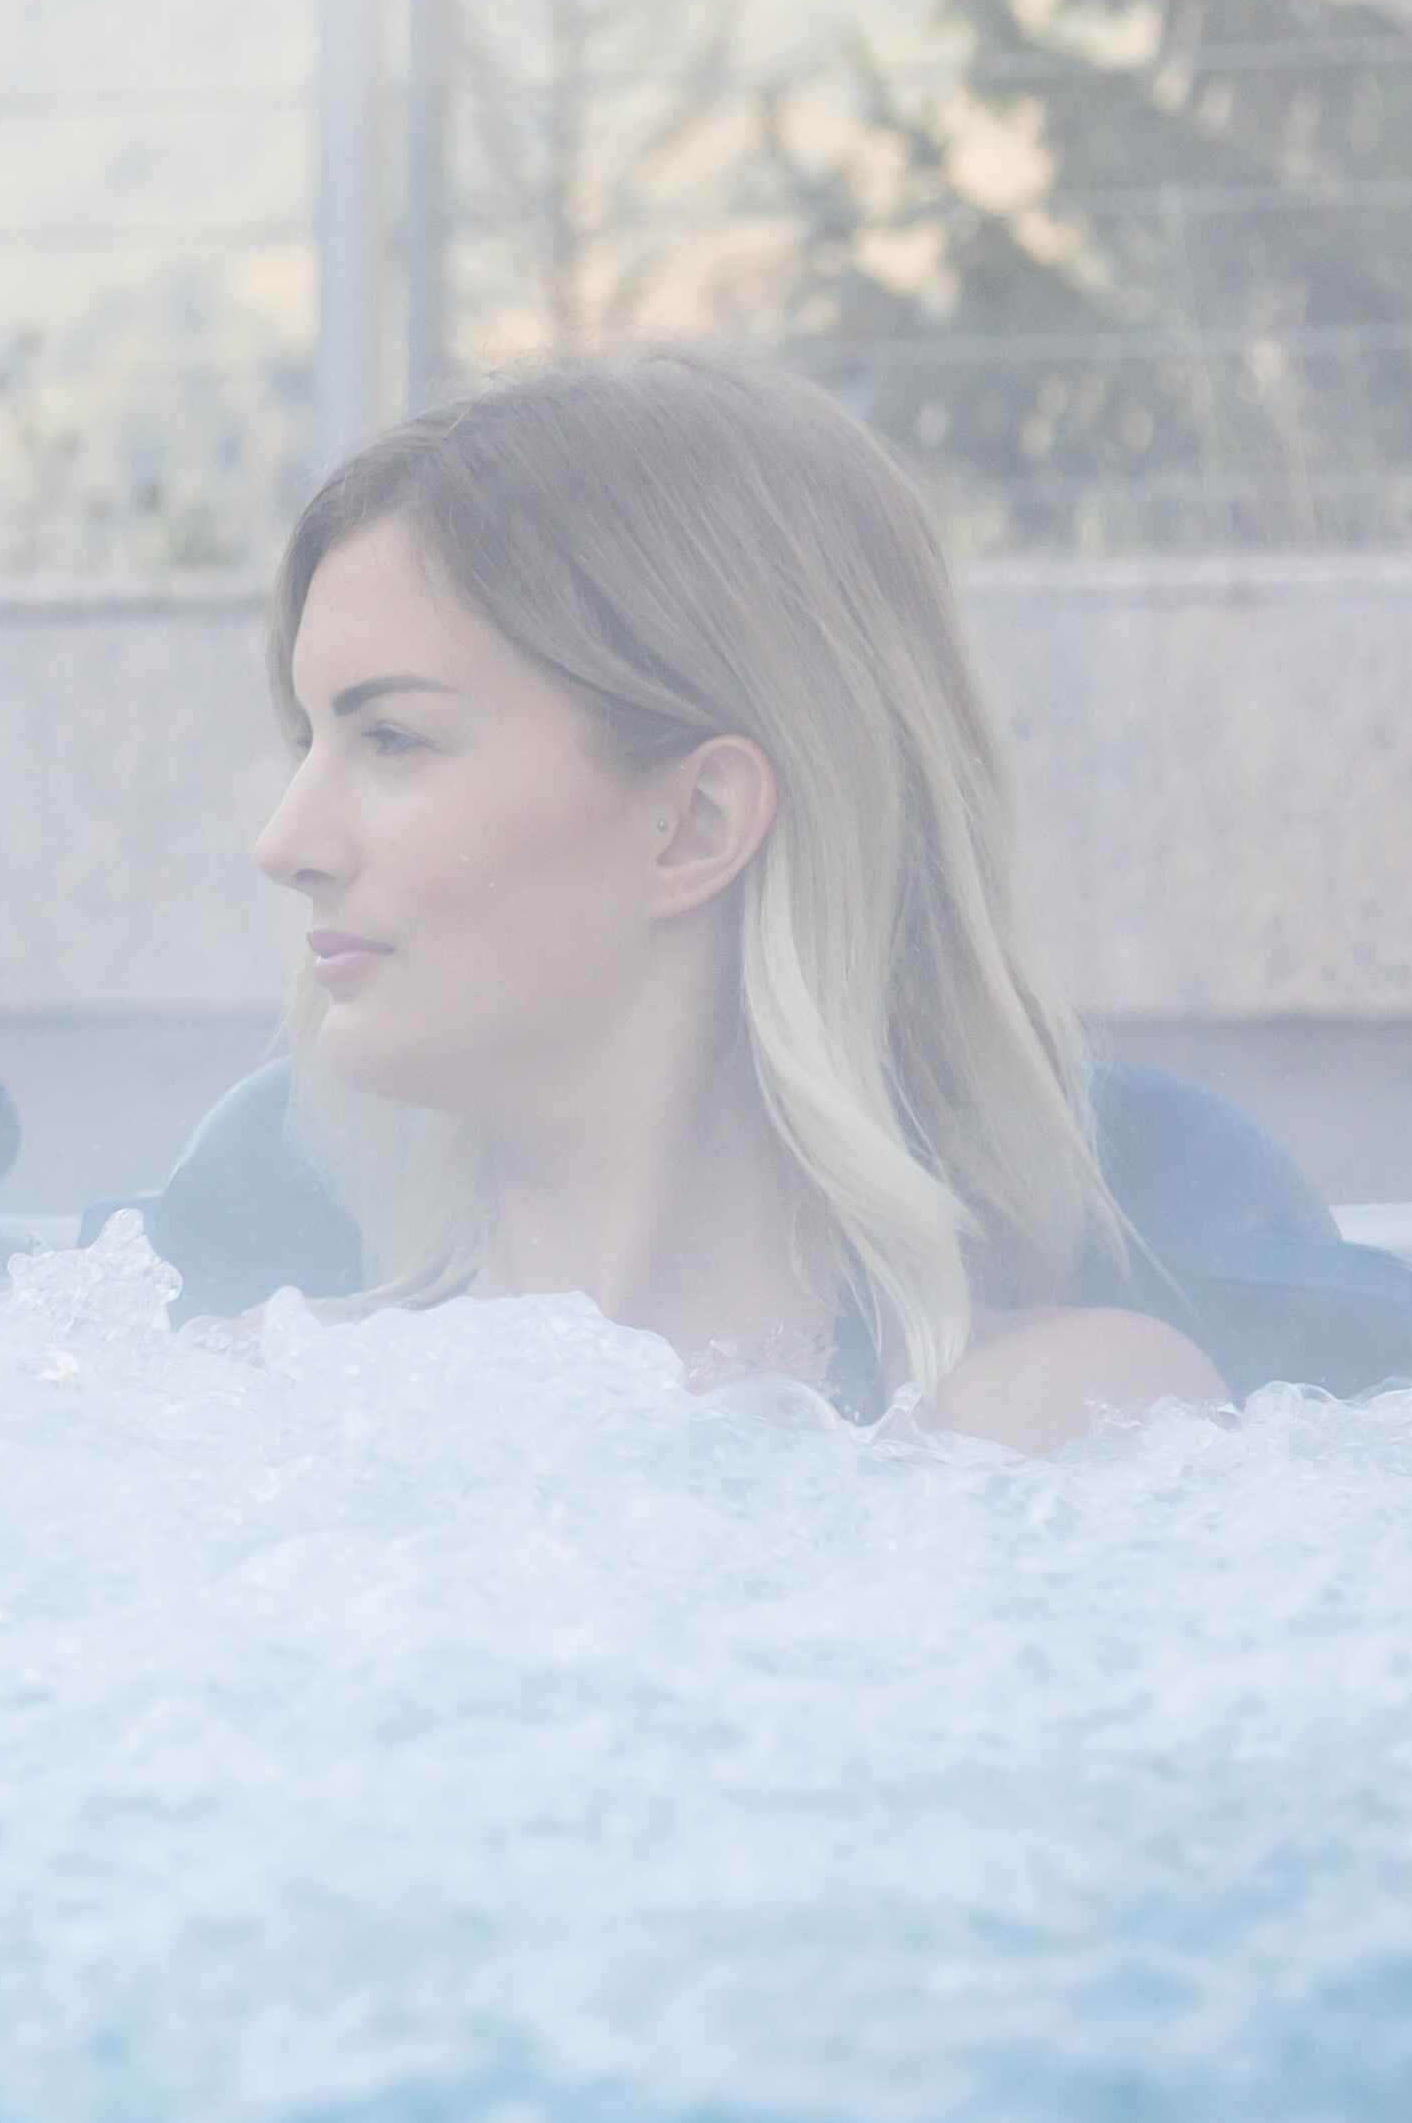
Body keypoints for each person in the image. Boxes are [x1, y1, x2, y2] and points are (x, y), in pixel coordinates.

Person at [235, 352, 1221, 1452]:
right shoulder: (256, 1401)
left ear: (697, 822)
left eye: (392, 739)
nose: (284, 844)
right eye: (306, 738)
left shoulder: (1043, 1427)